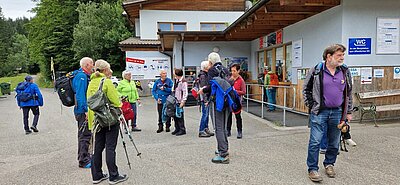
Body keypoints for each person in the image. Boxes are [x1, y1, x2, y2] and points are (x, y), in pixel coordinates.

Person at [303, 44, 353, 182]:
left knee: (334, 142)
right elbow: (306, 89)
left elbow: (348, 92)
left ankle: (329, 164)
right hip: (319, 112)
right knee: (315, 141)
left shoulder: (344, 71)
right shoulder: (317, 70)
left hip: (337, 112)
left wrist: (348, 111)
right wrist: (312, 106)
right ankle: (313, 169)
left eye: (343, 55)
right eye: (339, 55)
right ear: (329, 56)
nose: (342, 58)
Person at [87, 60, 128, 184]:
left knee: (97, 148)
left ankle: (97, 175)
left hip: (95, 120)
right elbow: (116, 101)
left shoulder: (91, 82)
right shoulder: (107, 82)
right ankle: (113, 176)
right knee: (110, 147)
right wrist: (120, 103)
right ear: (105, 70)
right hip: (108, 120)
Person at [198, 52, 232, 164]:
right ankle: (224, 148)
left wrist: (203, 90)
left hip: (217, 102)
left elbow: (212, 86)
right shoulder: (226, 70)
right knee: (223, 126)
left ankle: (223, 153)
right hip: (227, 101)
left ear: (210, 61)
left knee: (218, 127)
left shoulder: (212, 70)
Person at [71, 57, 94, 168]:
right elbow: (80, 95)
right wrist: (85, 110)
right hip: (82, 111)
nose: (93, 67)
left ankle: (85, 156)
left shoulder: (83, 76)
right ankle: (83, 160)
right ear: (86, 65)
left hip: (82, 110)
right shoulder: (81, 76)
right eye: (91, 64)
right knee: (84, 135)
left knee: (86, 134)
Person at [227, 64, 246, 139]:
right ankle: (228, 130)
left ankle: (239, 131)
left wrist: (235, 92)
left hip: (237, 101)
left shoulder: (241, 80)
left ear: (238, 71)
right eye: (232, 71)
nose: (233, 72)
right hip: (229, 100)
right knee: (228, 116)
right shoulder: (229, 79)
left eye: (234, 71)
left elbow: (244, 91)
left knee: (238, 116)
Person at [198, 61, 214, 137]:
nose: (210, 66)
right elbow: (203, 89)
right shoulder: (203, 76)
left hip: (207, 98)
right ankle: (201, 130)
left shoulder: (205, 75)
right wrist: (205, 100)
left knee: (206, 115)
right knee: (205, 114)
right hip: (205, 99)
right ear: (205, 67)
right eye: (209, 65)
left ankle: (206, 128)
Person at [171, 68, 188, 136]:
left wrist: (183, 101)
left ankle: (182, 129)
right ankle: (177, 128)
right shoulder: (176, 80)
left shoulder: (183, 82)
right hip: (175, 100)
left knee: (180, 115)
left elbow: (185, 92)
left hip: (180, 101)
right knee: (175, 115)